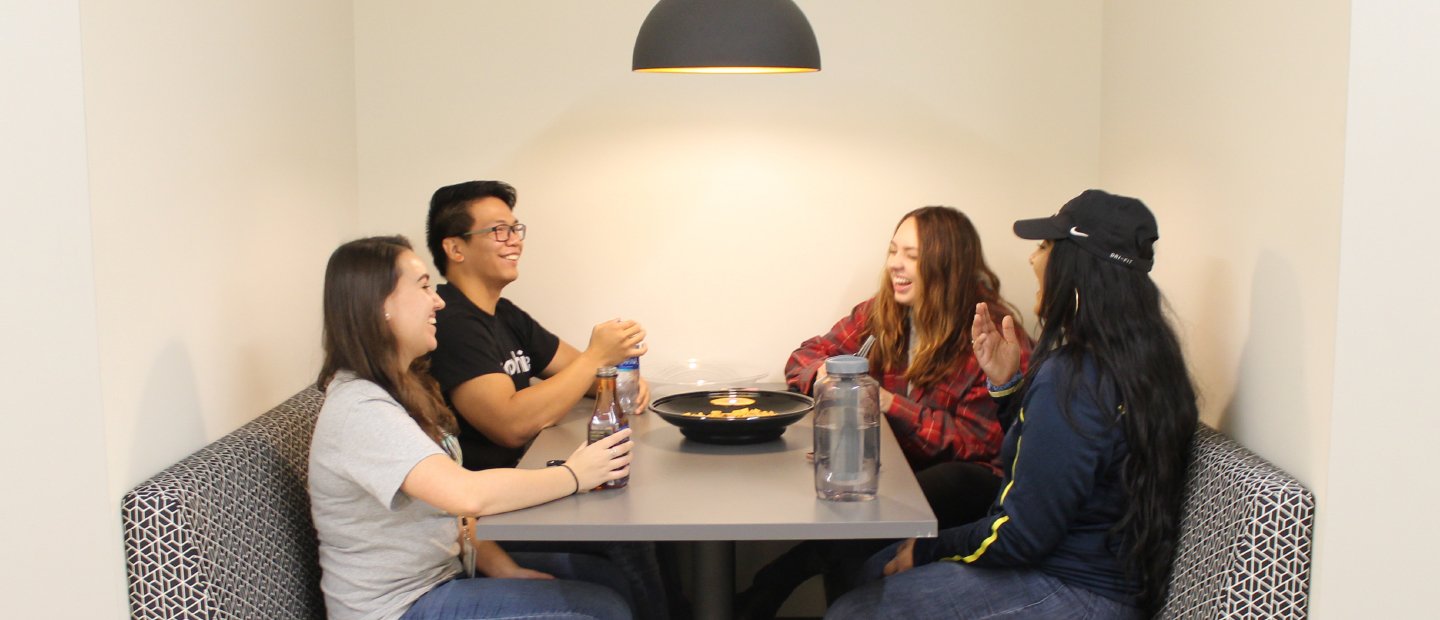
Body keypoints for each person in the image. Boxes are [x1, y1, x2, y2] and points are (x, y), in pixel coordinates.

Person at [825, 190, 1199, 619]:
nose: (1033, 260)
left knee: (853, 610)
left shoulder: (1076, 377)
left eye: (1044, 247)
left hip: (1074, 591)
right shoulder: (1144, 363)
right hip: (1099, 581)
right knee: (872, 568)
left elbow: (1022, 534)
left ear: (1075, 268)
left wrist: (930, 548)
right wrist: (1008, 388)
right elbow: (1058, 461)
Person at [308, 235, 636, 620]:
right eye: (424, 286)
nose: (438, 301)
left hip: (445, 575)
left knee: (609, 577)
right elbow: (464, 494)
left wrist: (501, 567)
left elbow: (455, 514)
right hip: (399, 608)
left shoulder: (405, 386)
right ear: (381, 305)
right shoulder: (360, 408)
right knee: (603, 610)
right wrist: (574, 475)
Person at [737, 206, 1032, 619]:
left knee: (924, 489)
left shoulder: (989, 329)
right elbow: (802, 358)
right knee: (851, 498)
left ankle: (783, 575)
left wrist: (890, 405)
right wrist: (826, 376)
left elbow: (982, 440)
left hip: (968, 483)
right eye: (894, 251)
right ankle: (791, 580)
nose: (895, 264)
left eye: (911, 255)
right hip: (893, 472)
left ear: (946, 262)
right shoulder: (881, 313)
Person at [423, 180, 681, 620]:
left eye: (515, 228)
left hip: (529, 489)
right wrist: (599, 358)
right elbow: (507, 422)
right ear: (456, 248)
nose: (515, 241)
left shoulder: (504, 315)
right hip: (497, 513)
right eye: (498, 231)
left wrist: (616, 375)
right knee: (631, 536)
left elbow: (582, 374)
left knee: (652, 535)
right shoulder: (449, 322)